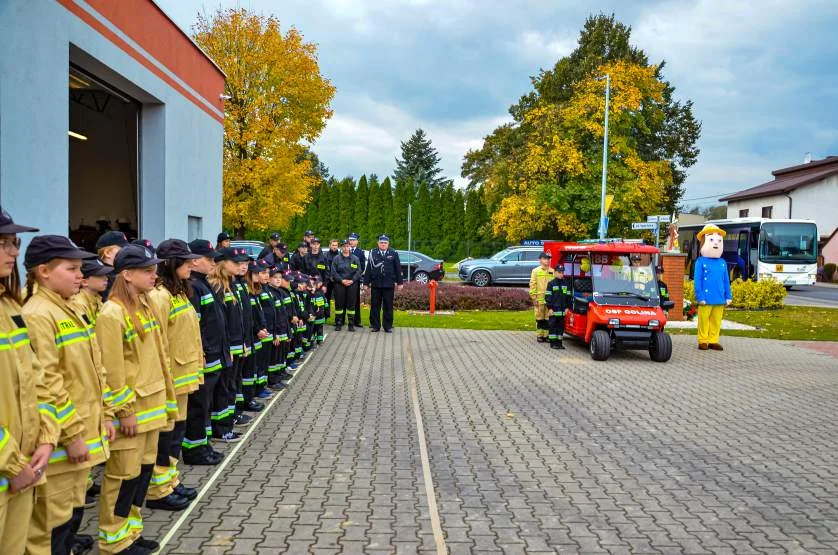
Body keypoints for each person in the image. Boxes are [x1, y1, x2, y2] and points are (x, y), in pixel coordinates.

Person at [21, 236, 111, 555]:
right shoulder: (37, 314)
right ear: (44, 271)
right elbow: (46, 384)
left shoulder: (67, 307)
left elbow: (93, 367)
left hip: (83, 430)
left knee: (71, 513)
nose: (80, 275)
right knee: (50, 528)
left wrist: (106, 414)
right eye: (71, 268)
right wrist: (72, 434)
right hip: (62, 441)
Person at [95, 244, 175, 554]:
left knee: (140, 475)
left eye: (155, 270)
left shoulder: (143, 305)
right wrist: (123, 410)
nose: (155, 275)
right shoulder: (111, 313)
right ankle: (113, 540)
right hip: (133, 412)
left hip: (151, 407)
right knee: (121, 477)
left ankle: (131, 530)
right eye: (148, 271)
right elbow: (112, 371)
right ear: (126, 274)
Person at [0, 209, 58, 555]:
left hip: (25, 468)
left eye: (13, 242)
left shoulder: (11, 308)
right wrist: (12, 462)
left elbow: (37, 381)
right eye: (3, 243)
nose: (13, 252)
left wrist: (47, 438)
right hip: (12, 466)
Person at [145, 239, 205, 511]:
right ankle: (158, 490)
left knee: (175, 433)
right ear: (172, 264)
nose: (192, 264)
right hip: (170, 378)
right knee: (165, 437)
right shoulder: (159, 297)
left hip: (183, 376)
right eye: (186, 260)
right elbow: (157, 342)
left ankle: (171, 481)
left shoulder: (178, 292)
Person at [183, 240, 227, 465]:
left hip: (213, 352)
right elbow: (195, 327)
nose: (213, 262)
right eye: (208, 259)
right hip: (204, 355)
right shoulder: (192, 286)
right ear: (194, 260)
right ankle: (194, 449)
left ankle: (202, 444)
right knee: (198, 405)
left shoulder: (203, 283)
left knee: (205, 403)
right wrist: (204, 352)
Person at [208, 247, 248, 443]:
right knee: (223, 388)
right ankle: (221, 429)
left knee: (230, 386)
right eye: (235, 262)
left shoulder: (230, 285)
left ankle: (226, 424)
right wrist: (228, 349)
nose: (240, 265)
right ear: (223, 263)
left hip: (234, 346)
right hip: (226, 349)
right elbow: (219, 323)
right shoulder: (217, 287)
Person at [694, 224, 732, 351]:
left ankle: (713, 340)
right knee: (704, 320)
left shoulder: (722, 263)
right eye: (711, 240)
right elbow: (697, 281)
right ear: (704, 242)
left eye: (719, 241)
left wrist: (728, 296)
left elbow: (726, 280)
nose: (716, 243)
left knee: (716, 321)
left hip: (719, 298)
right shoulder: (700, 262)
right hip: (706, 298)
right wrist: (700, 296)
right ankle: (703, 340)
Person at [363, 235, 403, 333]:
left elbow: (398, 269)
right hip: (376, 284)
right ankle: (375, 326)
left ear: (388, 244)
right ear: (378, 243)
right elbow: (368, 269)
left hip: (389, 284)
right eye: (381, 242)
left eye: (385, 243)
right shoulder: (373, 253)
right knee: (375, 305)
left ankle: (388, 326)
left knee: (388, 306)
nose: (383, 244)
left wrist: (400, 282)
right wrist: (366, 283)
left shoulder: (393, 253)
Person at [69, 258, 112, 326]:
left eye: (105, 275)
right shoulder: (79, 304)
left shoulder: (98, 301)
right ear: (84, 282)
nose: (106, 278)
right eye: (100, 275)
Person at [331, 239, 361, 331]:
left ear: (350, 247)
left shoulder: (355, 258)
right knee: (339, 305)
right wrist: (341, 280)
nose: (345, 248)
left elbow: (359, 271)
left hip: (352, 284)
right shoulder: (336, 258)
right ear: (341, 247)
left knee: (351, 305)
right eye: (344, 246)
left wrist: (352, 280)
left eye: (347, 246)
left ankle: (351, 324)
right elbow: (334, 272)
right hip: (339, 284)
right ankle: (339, 323)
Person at [95, 230, 128, 301]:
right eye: (123, 249)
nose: (127, 252)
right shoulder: (100, 276)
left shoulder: (121, 272)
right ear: (107, 253)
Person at [529, 252, 553, 343]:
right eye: (545, 258)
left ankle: (546, 336)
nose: (547, 260)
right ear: (540, 260)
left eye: (549, 258)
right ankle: (540, 335)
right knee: (539, 318)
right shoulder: (535, 271)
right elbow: (532, 285)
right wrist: (533, 298)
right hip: (539, 299)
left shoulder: (552, 271)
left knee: (548, 318)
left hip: (549, 300)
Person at [544, 263, 569, 350]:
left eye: (562, 272)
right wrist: (549, 308)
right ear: (555, 272)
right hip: (553, 310)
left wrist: (567, 307)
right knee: (553, 326)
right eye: (559, 272)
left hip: (562, 311)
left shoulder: (566, 283)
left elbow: (568, 297)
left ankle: (559, 343)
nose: (561, 274)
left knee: (560, 327)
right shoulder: (551, 283)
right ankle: (553, 343)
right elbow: (548, 297)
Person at [348, 233, 366, 327]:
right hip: (344, 280)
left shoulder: (360, 252)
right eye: (350, 240)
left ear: (357, 242)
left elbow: (362, 267)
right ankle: (341, 321)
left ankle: (357, 321)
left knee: (356, 301)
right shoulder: (344, 251)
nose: (352, 242)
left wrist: (354, 277)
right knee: (343, 301)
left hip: (355, 280)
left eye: (353, 240)